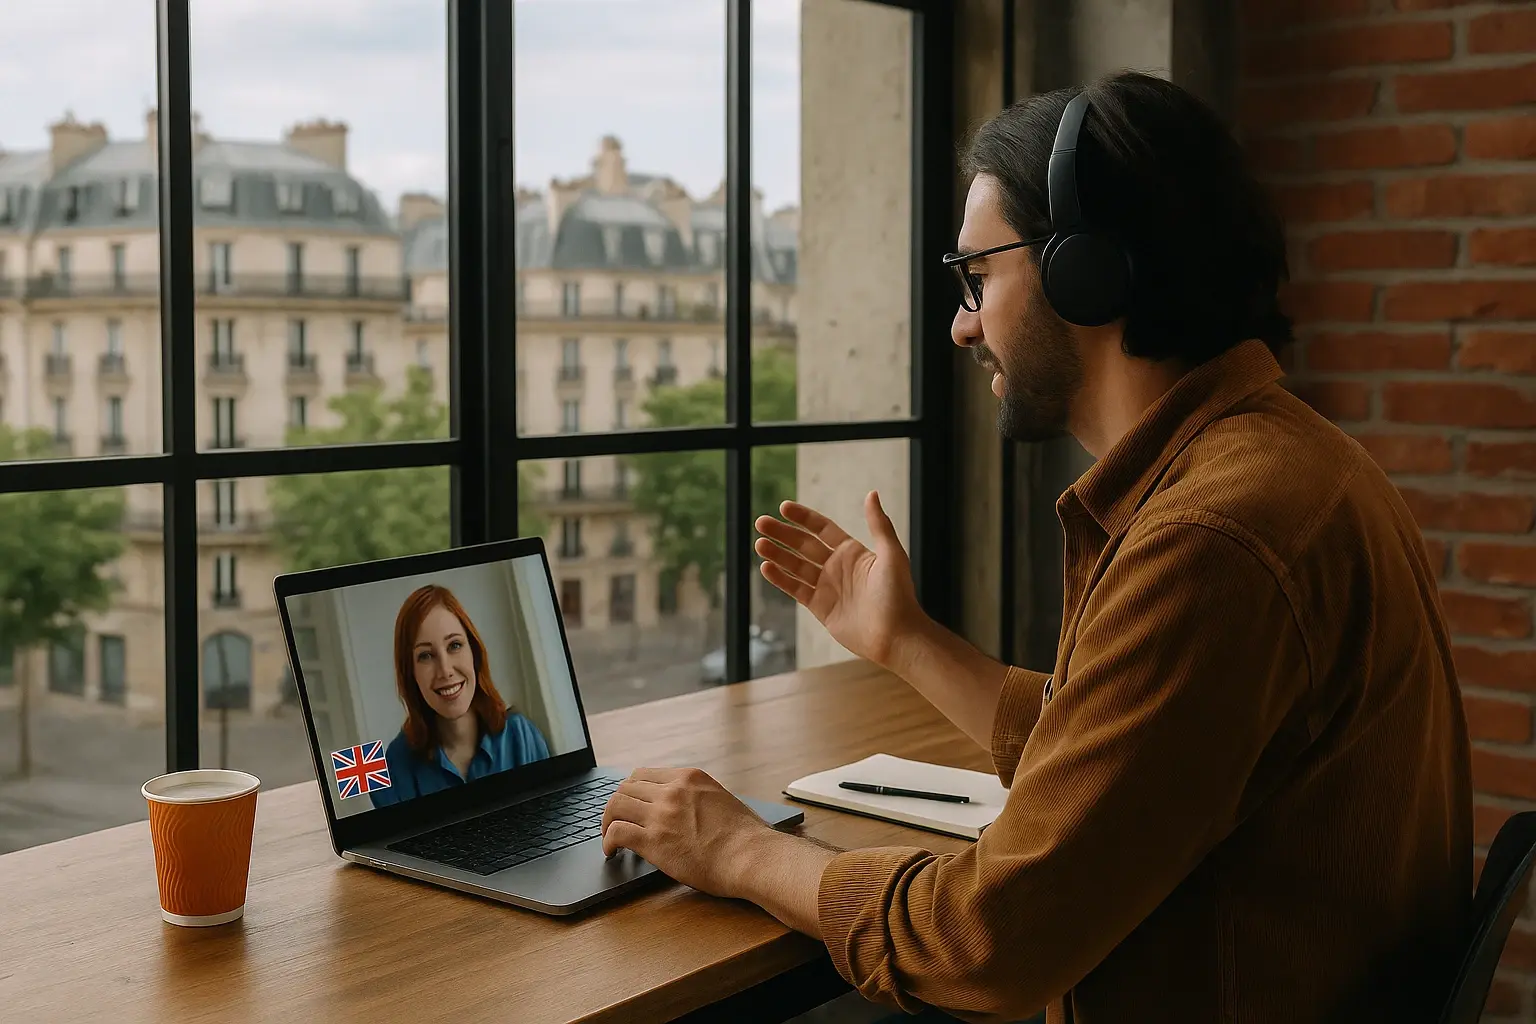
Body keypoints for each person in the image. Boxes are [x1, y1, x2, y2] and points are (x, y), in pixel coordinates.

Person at [598, 70, 1472, 1022]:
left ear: (1084, 269)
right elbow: (1113, 753)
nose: (961, 322)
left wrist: (739, 850)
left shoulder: (1213, 536)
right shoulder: (1287, 461)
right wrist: (909, 641)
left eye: (977, 276)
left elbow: (985, 946)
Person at [371, 584, 550, 807]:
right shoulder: (395, 764)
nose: (445, 670)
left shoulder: (521, 735)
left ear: (473, 653)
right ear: (411, 674)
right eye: (425, 655)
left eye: (454, 645)